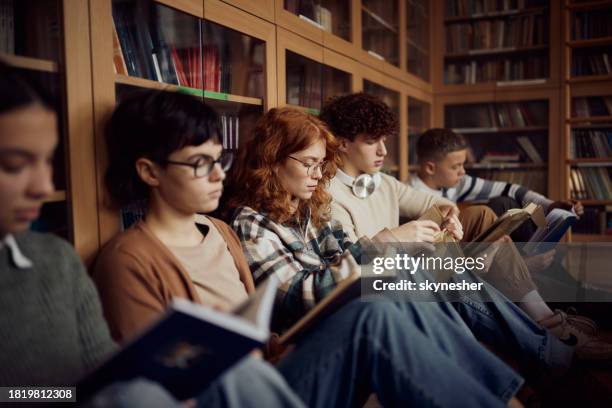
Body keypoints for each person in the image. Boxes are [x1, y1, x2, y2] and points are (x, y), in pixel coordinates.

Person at [93, 89, 521, 407]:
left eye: (218, 161)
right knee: (377, 308)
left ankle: (501, 394)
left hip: (278, 362)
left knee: (396, 286)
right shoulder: (129, 258)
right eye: (199, 164)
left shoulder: (220, 232)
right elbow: (151, 386)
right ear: (149, 172)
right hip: (240, 391)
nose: (217, 176)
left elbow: (276, 316)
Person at [319, 93, 611, 363]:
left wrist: (451, 216)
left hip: (421, 260)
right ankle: (548, 323)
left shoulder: (383, 182)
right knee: (483, 249)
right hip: (393, 278)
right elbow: (356, 266)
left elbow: (437, 203)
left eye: (384, 140)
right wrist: (403, 239)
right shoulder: (330, 196)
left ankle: (541, 315)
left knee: (482, 214)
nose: (383, 150)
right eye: (372, 141)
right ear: (342, 143)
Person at [409, 127, 584, 239]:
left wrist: (550, 204)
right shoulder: (411, 196)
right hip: (446, 253)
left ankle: (534, 256)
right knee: (496, 208)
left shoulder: (457, 183)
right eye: (456, 167)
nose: (463, 172)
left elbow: (511, 189)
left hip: (462, 240)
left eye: (463, 164)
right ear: (430, 168)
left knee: (507, 202)